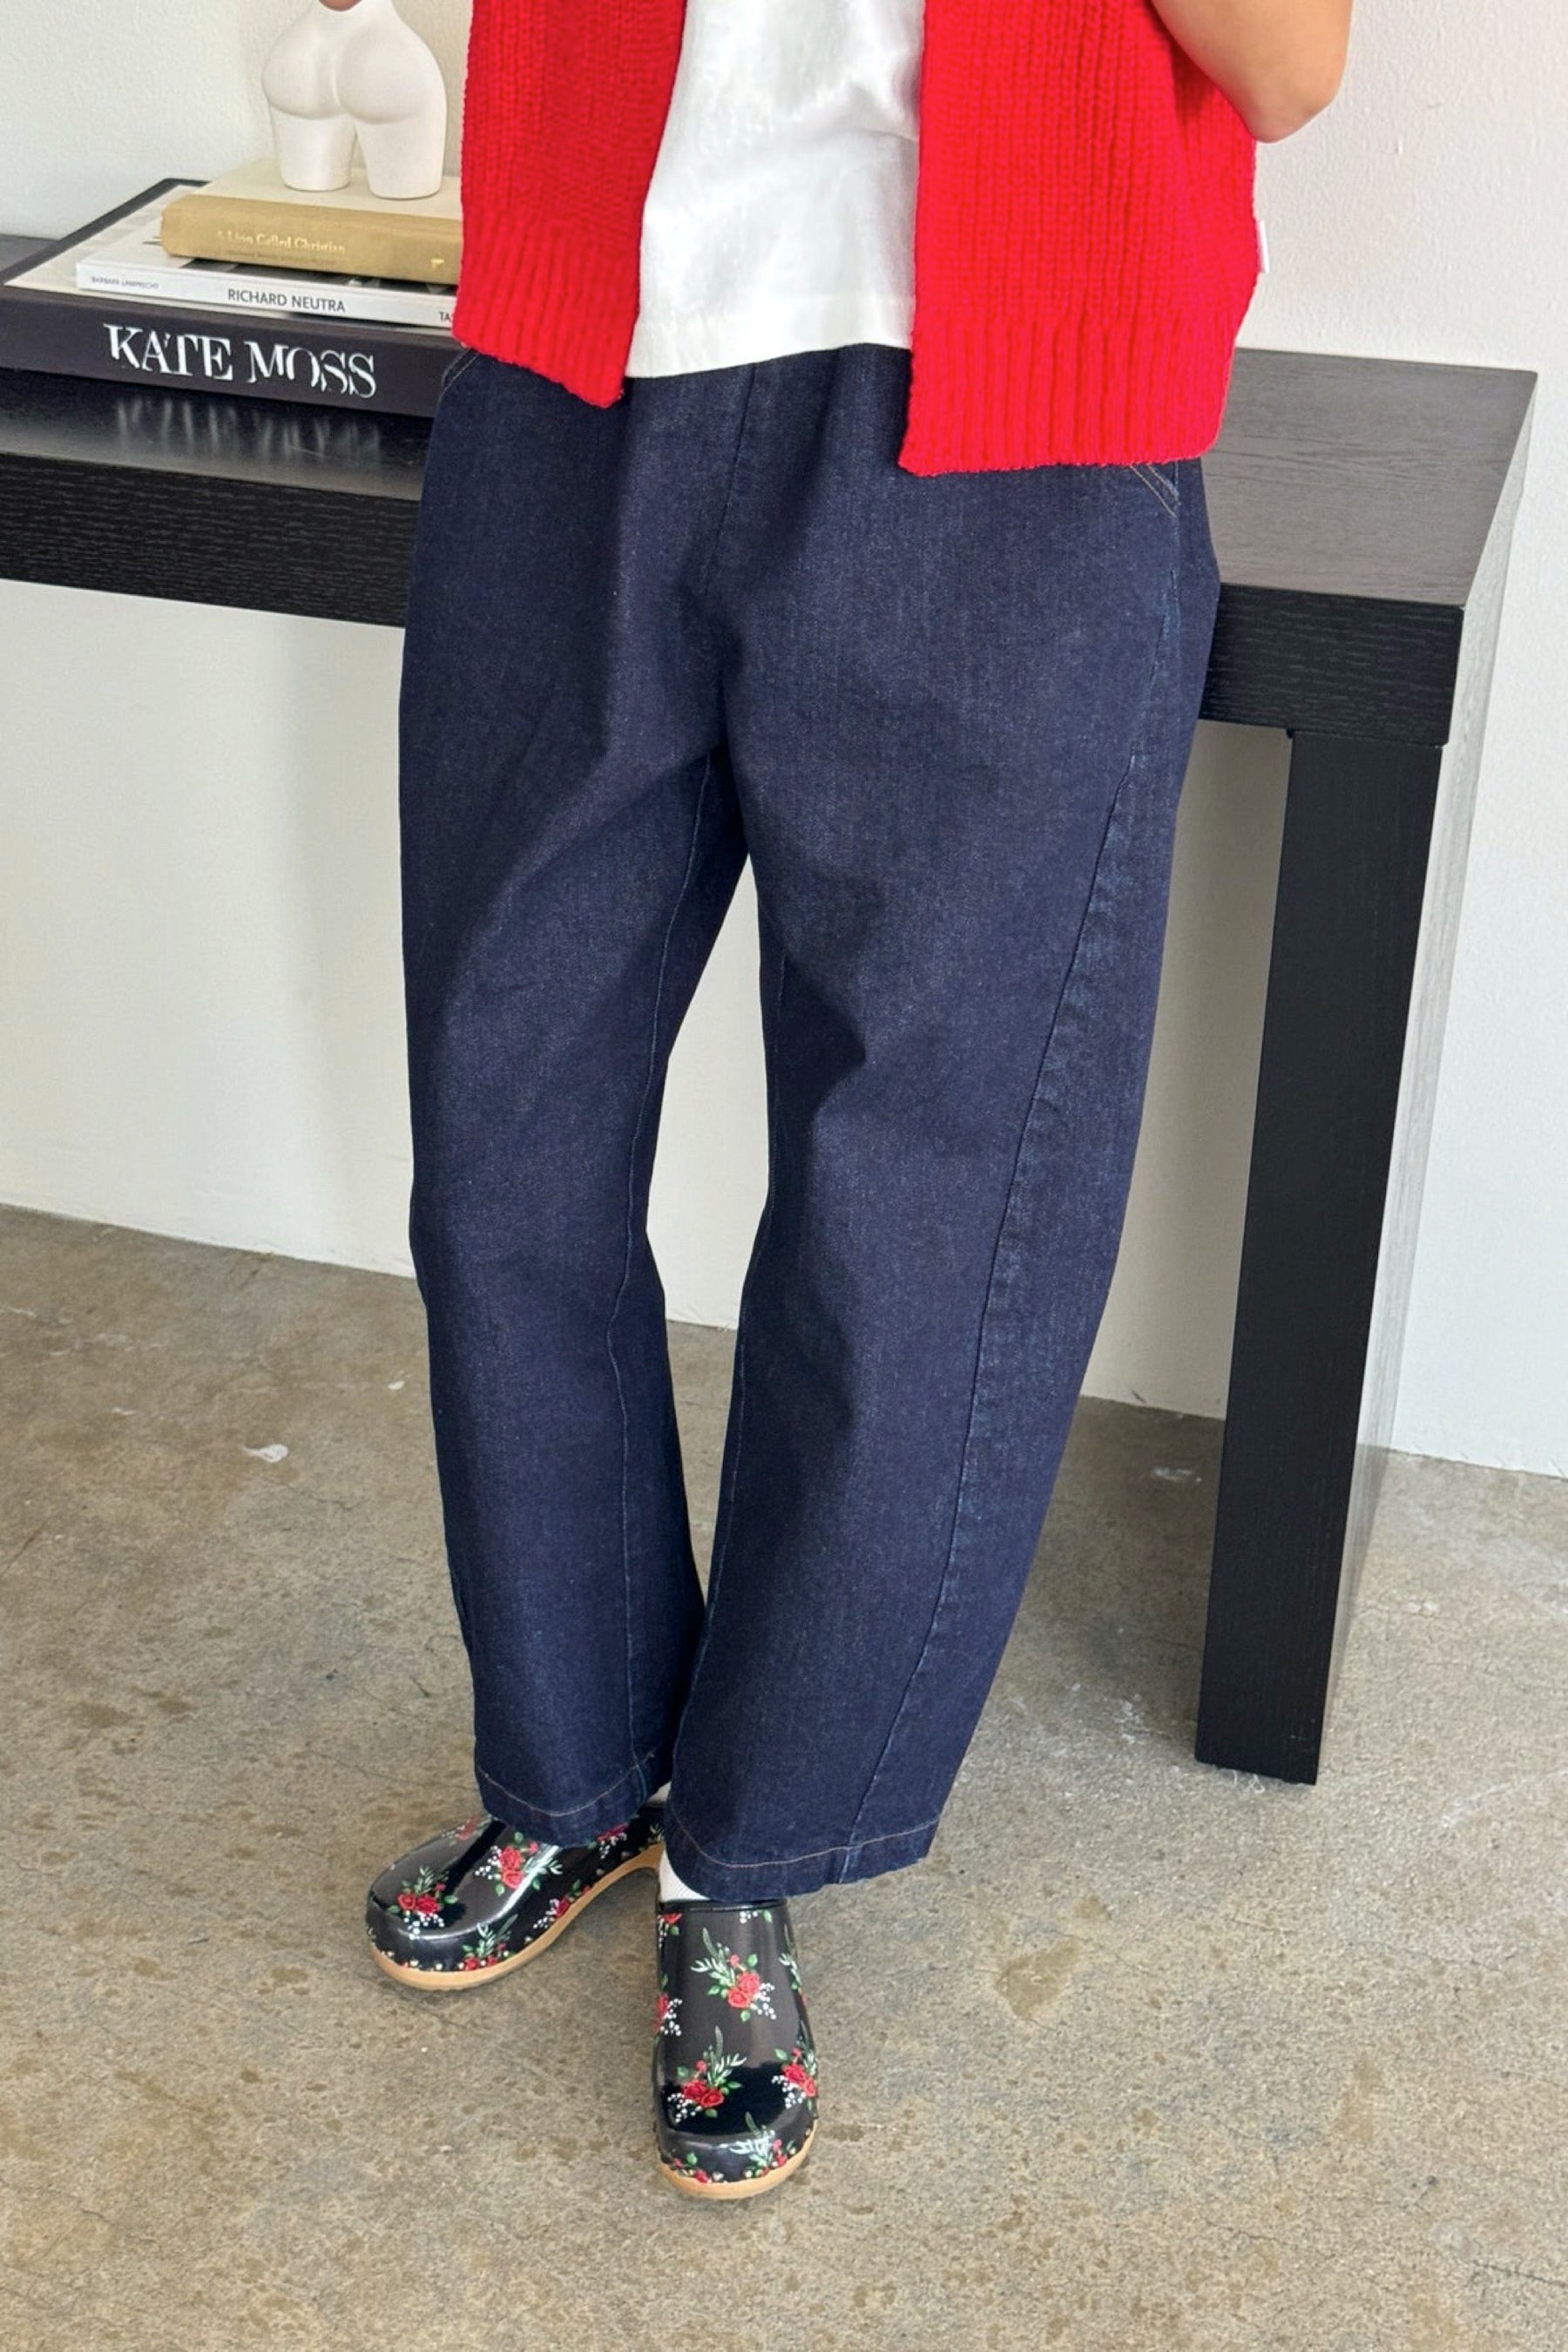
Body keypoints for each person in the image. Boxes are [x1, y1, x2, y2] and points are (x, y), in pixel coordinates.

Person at [367, 0, 1353, 2200]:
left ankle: (750, 1856)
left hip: (1006, 424)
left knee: (922, 1224)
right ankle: (574, 1774)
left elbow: (1292, 65)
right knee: (505, 1143)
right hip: (576, 367)